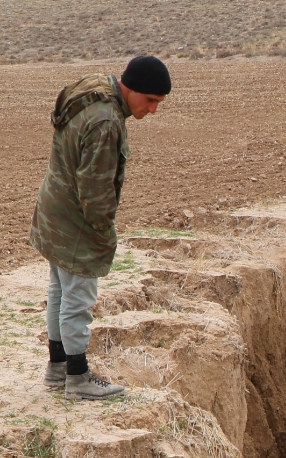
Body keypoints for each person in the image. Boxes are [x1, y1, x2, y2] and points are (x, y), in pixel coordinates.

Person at [29, 55, 170, 399]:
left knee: (59, 292)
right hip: (75, 219)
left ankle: (57, 368)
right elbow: (95, 190)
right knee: (77, 298)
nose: (153, 110)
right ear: (131, 88)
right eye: (150, 100)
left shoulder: (93, 89)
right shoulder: (107, 122)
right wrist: (103, 233)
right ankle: (78, 378)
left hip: (54, 208)